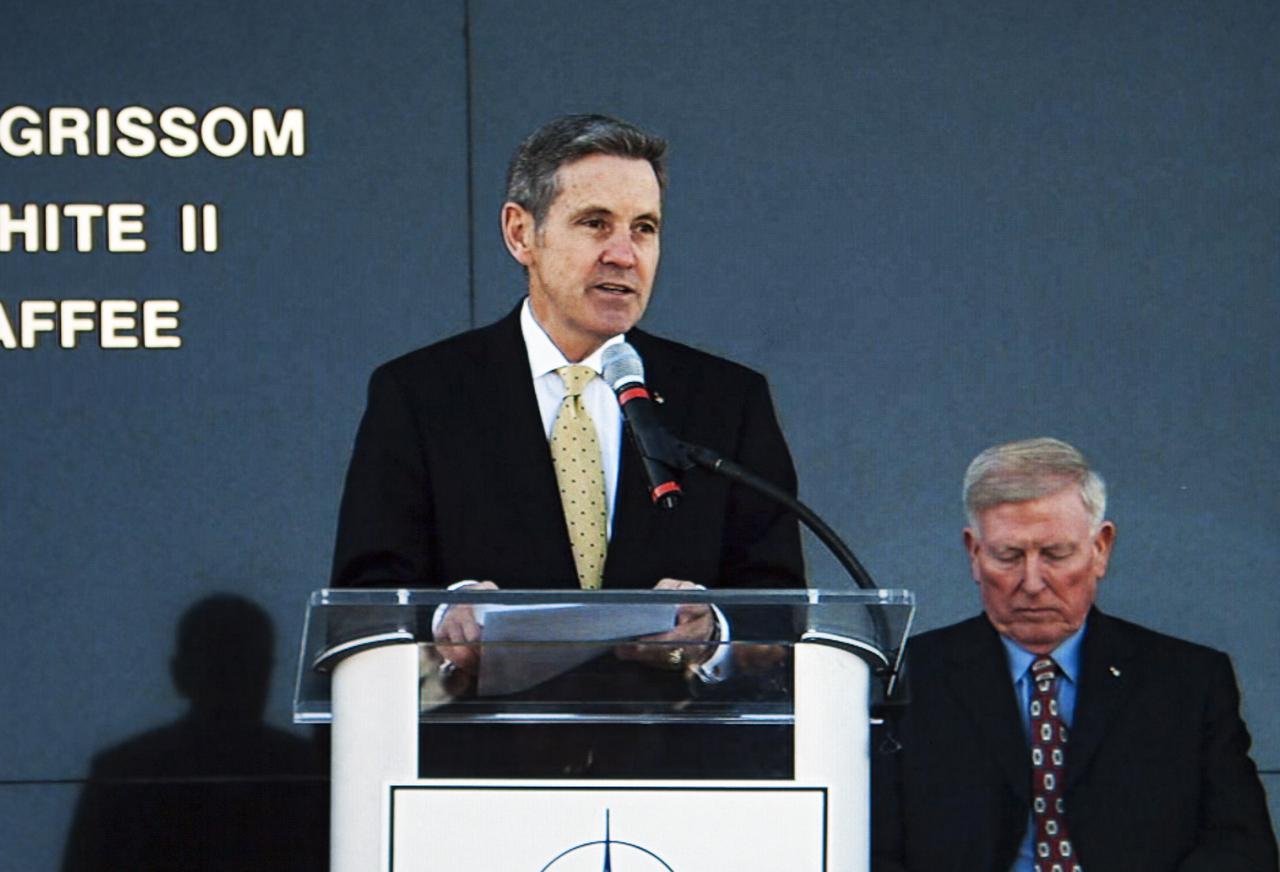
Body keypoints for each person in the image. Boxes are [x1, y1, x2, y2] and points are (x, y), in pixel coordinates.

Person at [330, 114, 803, 775]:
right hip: (478, 786)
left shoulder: (724, 401)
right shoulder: (422, 395)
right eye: (595, 223)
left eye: (645, 228)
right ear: (521, 233)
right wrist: (447, 628)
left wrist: (713, 635)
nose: (624, 253)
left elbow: (780, 612)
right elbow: (364, 605)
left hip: (678, 787)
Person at [872, 437, 1277, 872]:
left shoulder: (1188, 682)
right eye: (1008, 556)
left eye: (1055, 554)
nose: (1031, 582)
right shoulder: (908, 679)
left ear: (1101, 548)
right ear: (974, 553)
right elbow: (869, 850)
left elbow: (1242, 849)